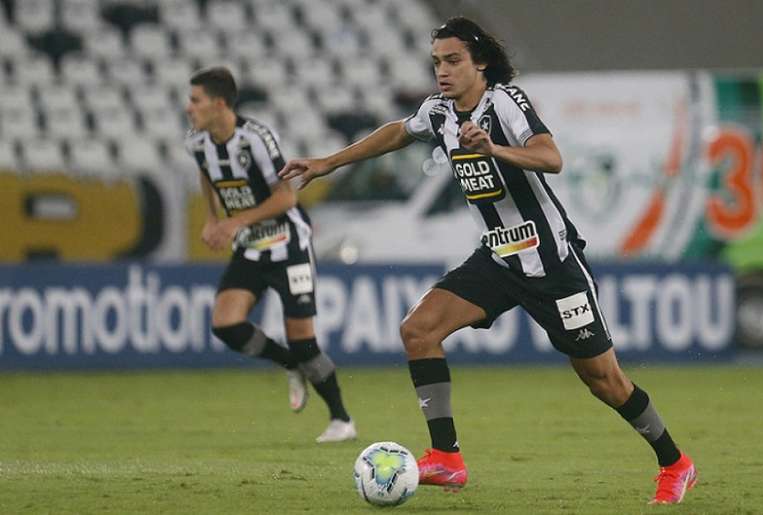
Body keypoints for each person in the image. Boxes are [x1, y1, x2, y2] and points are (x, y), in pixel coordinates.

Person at [280, 17, 696, 503]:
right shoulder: (439, 112)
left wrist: (494, 148)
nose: (443, 71)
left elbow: (551, 157)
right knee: (419, 330)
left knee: (604, 380)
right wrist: (328, 162)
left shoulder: (505, 103)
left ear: (479, 62)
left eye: (453, 61)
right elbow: (397, 131)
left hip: (551, 262)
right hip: (498, 258)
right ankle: (447, 458)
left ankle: (676, 463)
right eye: (437, 62)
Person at [184, 66, 356, 443]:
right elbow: (205, 175)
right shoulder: (197, 142)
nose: (188, 108)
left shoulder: (256, 139)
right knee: (225, 325)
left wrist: (234, 223)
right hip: (250, 246)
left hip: (287, 244)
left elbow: (286, 197)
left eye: (195, 101)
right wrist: (213, 218)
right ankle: (289, 365)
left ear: (219, 103)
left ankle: (342, 419)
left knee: (305, 343)